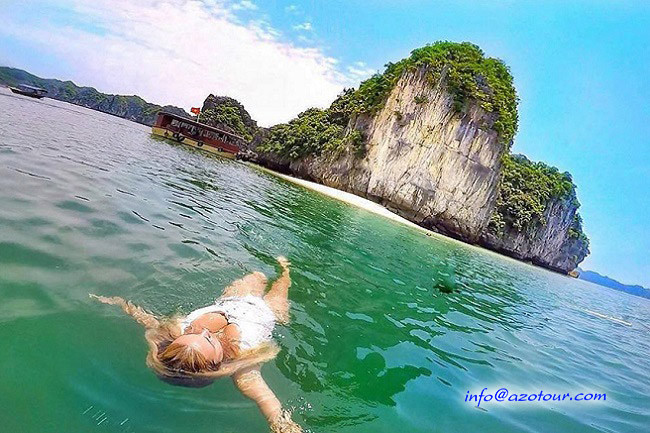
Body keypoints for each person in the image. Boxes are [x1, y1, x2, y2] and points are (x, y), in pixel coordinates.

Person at [90, 257, 302, 433]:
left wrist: (120, 303)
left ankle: (272, 267)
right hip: (267, 311)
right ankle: (286, 268)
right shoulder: (243, 368)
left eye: (191, 332)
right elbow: (271, 407)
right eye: (208, 339)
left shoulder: (178, 334)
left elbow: (147, 320)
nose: (202, 330)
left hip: (232, 301)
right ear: (217, 364)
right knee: (282, 284)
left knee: (258, 277)